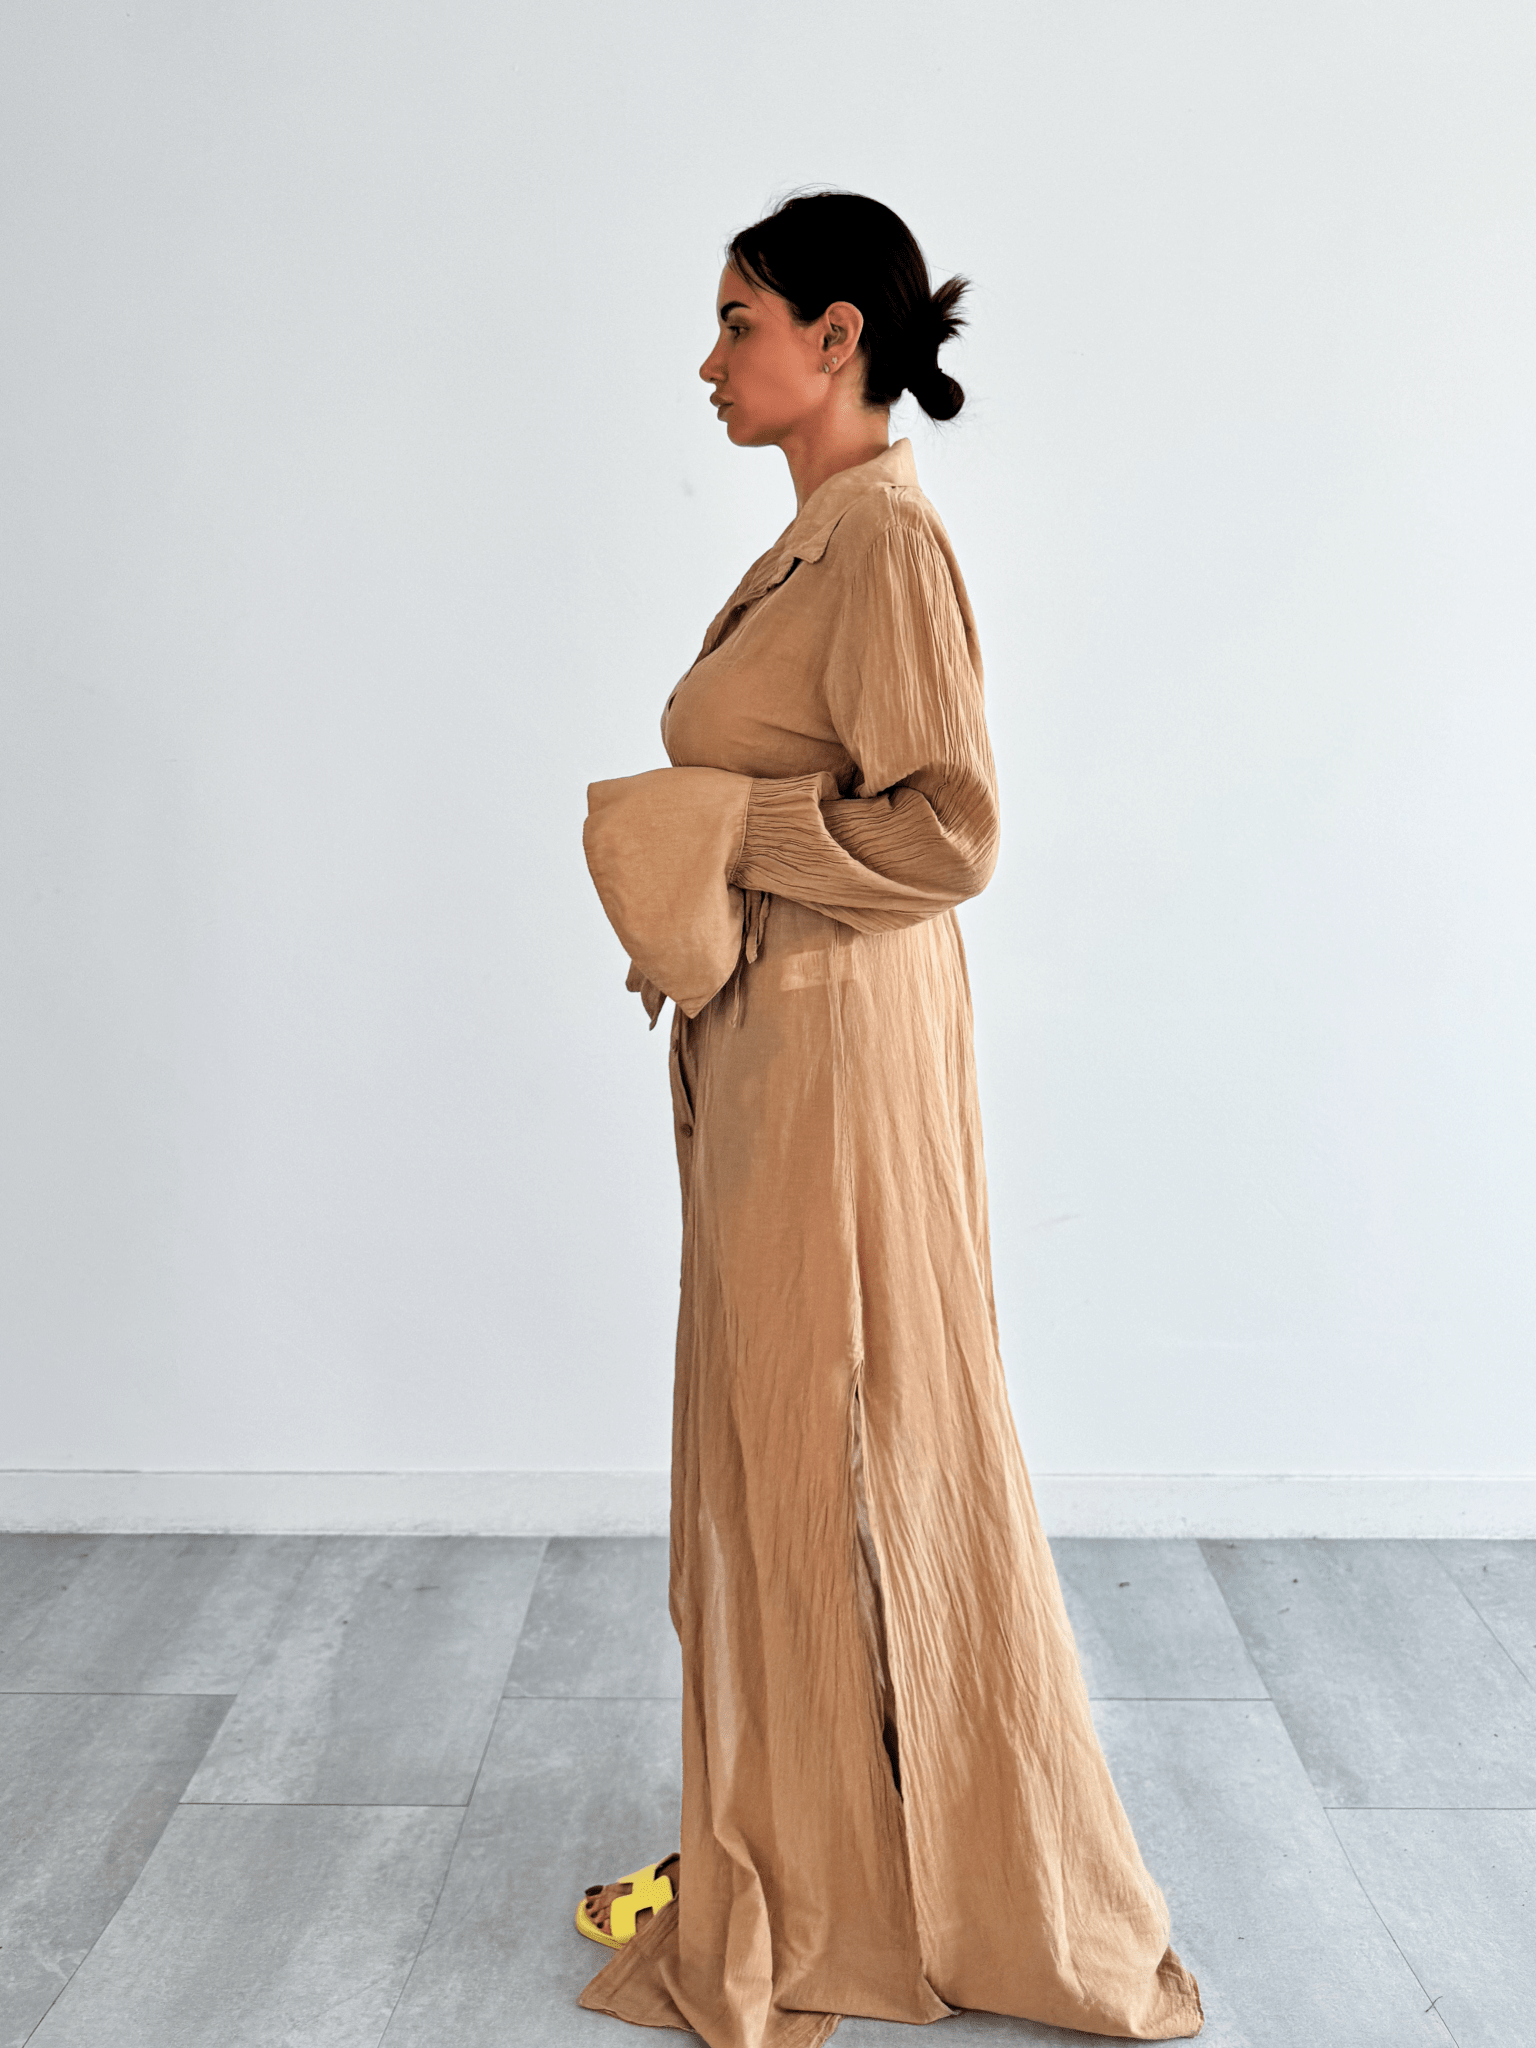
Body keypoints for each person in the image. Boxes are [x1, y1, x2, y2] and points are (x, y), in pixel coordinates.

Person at [577, 191, 1203, 2048]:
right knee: (793, 1432)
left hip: (840, 1050)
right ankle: (810, 1836)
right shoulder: (822, 541)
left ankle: (895, 1876)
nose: (709, 360)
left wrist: (726, 833)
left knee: (845, 1425)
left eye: (738, 321)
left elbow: (952, 832)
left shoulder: (884, 545)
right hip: (790, 1036)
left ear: (837, 336)